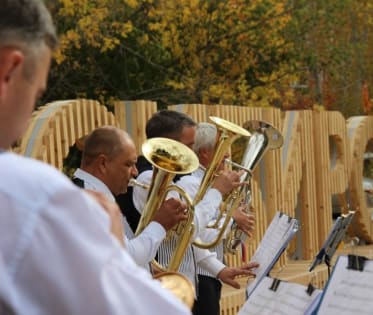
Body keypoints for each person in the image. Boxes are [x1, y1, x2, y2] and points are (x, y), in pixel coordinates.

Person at [0, 1, 190, 314]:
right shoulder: (35, 196)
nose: (133, 173)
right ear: (8, 70)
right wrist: (118, 252)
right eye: (35, 94)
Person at [132, 110, 258, 294]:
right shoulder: (147, 179)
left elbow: (186, 238)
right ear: (170, 144)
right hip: (161, 285)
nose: (194, 153)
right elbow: (189, 230)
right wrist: (217, 192)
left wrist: (219, 269)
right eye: (189, 145)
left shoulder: (176, 178)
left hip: (183, 283)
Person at [72, 125, 188, 268]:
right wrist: (160, 224)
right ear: (102, 164)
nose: (135, 172)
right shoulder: (90, 198)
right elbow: (126, 257)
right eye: (128, 164)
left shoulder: (92, 192)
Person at [179, 122, 256, 315]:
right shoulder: (193, 184)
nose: (228, 157)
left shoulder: (209, 182)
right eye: (223, 151)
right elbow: (198, 235)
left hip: (210, 270)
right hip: (199, 275)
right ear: (205, 153)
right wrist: (232, 220)